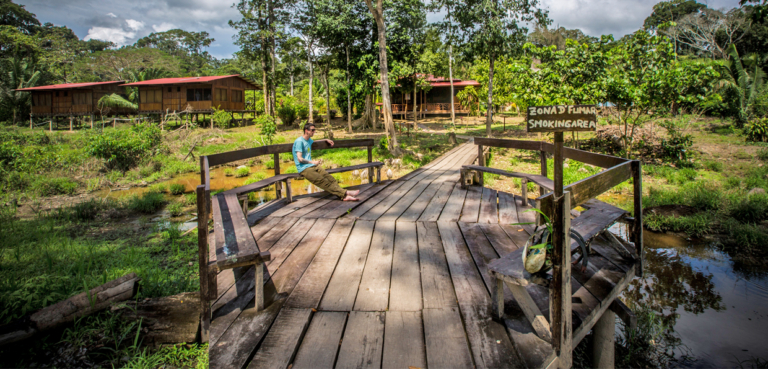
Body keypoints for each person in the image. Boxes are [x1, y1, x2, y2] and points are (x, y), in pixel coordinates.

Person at [293, 123, 360, 201]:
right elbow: (300, 159)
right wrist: (312, 162)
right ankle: (346, 193)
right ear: (306, 131)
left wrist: (325, 140)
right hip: (304, 168)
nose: (314, 132)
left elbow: (315, 141)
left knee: (331, 179)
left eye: (314, 130)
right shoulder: (299, 141)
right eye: (312, 130)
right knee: (323, 181)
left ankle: (343, 196)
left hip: (312, 166)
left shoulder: (308, 140)